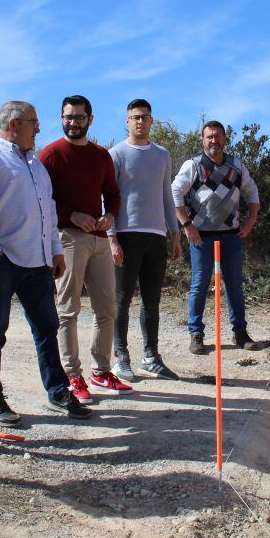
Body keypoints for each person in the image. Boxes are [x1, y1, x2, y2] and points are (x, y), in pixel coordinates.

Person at [0, 101, 92, 422]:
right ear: (13, 125)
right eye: (32, 122)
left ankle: (57, 391)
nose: (38, 128)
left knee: (47, 328)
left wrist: (55, 249)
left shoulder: (36, 165)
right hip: (1, 260)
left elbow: (48, 211)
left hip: (38, 263)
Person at [38, 95, 132, 404]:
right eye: (68, 117)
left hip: (99, 239)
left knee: (107, 308)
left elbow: (113, 194)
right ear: (61, 118)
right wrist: (70, 215)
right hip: (67, 237)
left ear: (90, 120)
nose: (73, 122)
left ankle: (101, 371)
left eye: (79, 117)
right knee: (68, 309)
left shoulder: (101, 156)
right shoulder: (50, 155)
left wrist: (110, 216)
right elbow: (40, 200)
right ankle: (72, 375)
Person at [172, 120, 261, 355]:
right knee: (199, 285)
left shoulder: (236, 166)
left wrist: (251, 220)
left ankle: (240, 333)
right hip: (201, 237)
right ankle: (196, 334)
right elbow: (174, 192)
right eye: (209, 136)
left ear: (225, 139)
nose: (214, 140)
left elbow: (252, 191)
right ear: (202, 140)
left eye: (218, 136)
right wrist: (187, 225)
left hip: (231, 236)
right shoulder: (193, 165)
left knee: (234, 285)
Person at [109, 99, 182, 381]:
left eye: (145, 117)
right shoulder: (116, 153)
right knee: (121, 299)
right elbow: (109, 198)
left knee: (152, 300)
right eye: (135, 117)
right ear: (127, 121)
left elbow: (167, 194)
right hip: (126, 235)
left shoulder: (162, 155)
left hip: (156, 236)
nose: (140, 122)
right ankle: (120, 356)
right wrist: (111, 237)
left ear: (152, 121)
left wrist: (174, 233)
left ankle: (151, 357)